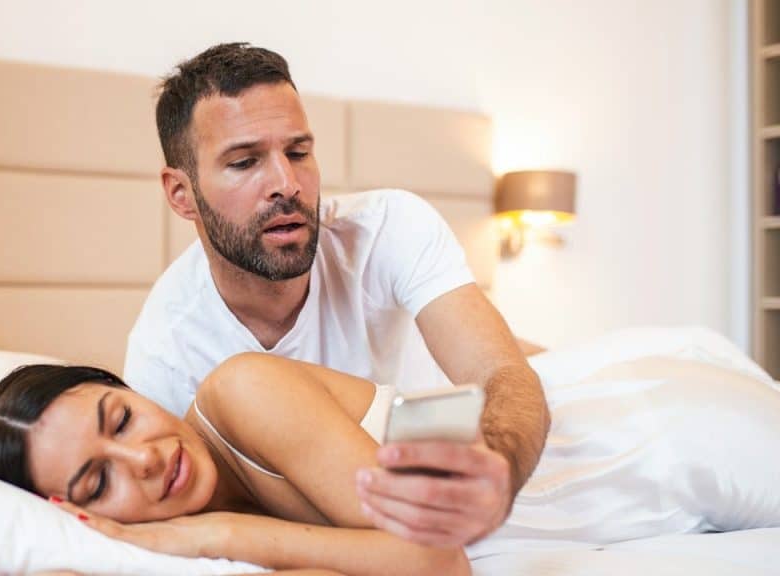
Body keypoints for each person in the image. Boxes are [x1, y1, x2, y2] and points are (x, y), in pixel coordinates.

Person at [122, 42, 550, 547]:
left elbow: (500, 374)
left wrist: (497, 465)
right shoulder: (166, 352)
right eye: (244, 162)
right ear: (181, 194)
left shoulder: (387, 229)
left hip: (460, 416)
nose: (287, 183)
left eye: (299, 153)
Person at [0, 353, 471, 576]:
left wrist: (217, 533)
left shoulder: (243, 390)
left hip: (525, 474)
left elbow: (440, 563)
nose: (143, 458)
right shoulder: (159, 549)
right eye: (98, 482)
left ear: (131, 391)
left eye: (122, 420)